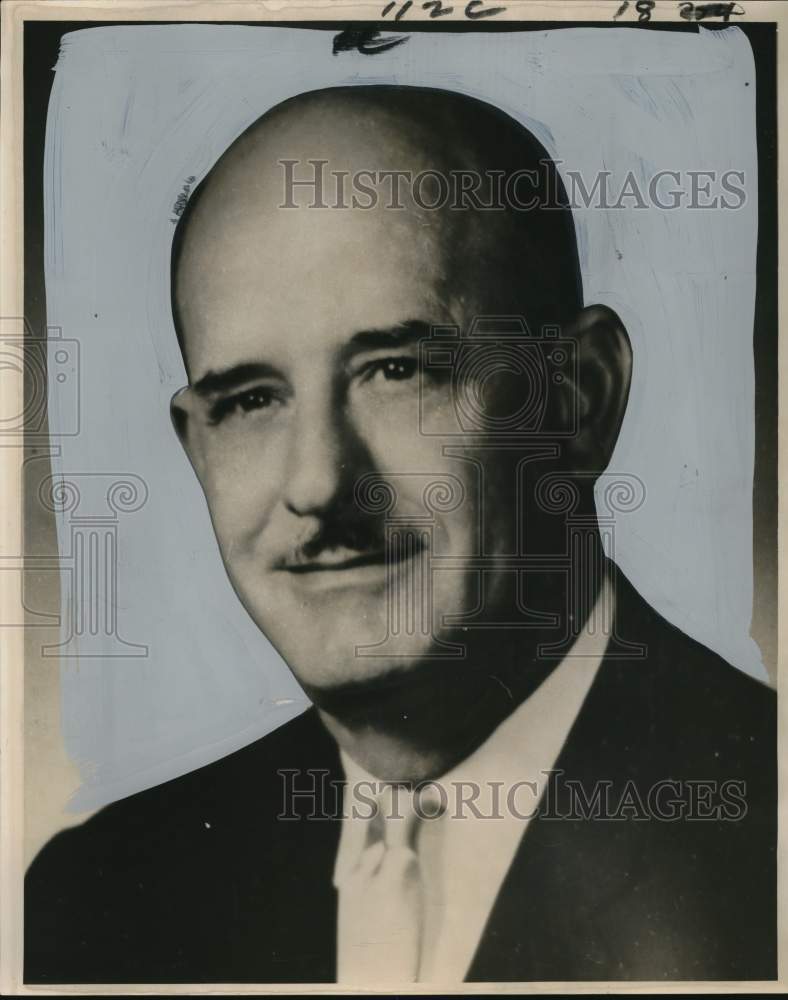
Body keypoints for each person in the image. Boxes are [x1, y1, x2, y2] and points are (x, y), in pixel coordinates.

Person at [25, 86, 776, 985]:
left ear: (579, 398)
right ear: (197, 448)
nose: (317, 484)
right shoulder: (95, 899)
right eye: (252, 400)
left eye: (396, 370)